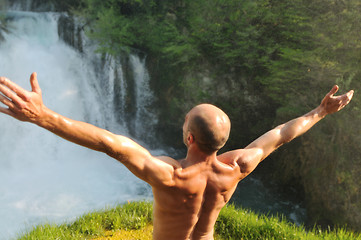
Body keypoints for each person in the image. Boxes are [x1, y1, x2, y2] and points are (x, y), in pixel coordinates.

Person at [0, 72, 354, 240]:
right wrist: (320, 112)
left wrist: (43, 117)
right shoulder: (237, 166)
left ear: (188, 136)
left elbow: (110, 143)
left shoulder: (168, 175)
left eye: (186, 119)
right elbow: (279, 136)